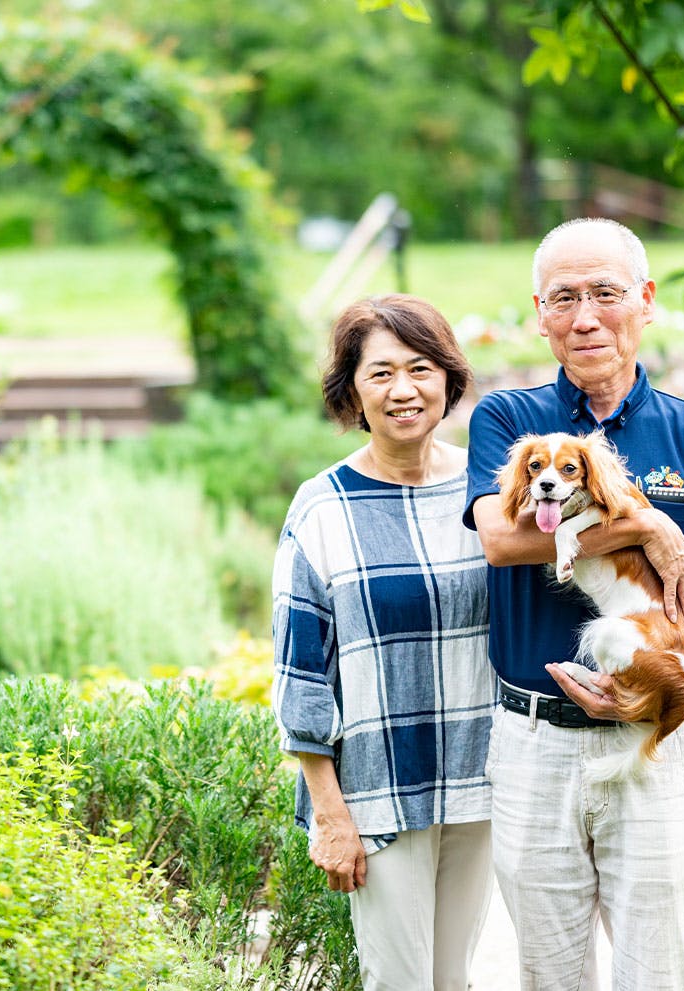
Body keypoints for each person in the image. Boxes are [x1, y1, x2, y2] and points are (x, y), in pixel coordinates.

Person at [464, 217, 684, 990]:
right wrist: (648, 523)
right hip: (536, 743)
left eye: (605, 293)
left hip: (656, 745)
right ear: (540, 312)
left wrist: (663, 685)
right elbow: (502, 539)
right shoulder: (508, 421)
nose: (586, 316)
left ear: (646, 300)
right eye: (564, 297)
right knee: (549, 975)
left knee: (657, 972)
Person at [272, 294, 495, 991]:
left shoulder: (487, 488)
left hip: (481, 783)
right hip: (376, 791)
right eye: (381, 374)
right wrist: (331, 813)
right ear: (353, 392)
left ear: (449, 379)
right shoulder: (322, 506)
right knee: (398, 982)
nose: (404, 390)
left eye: (421, 368)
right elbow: (299, 676)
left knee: (453, 978)